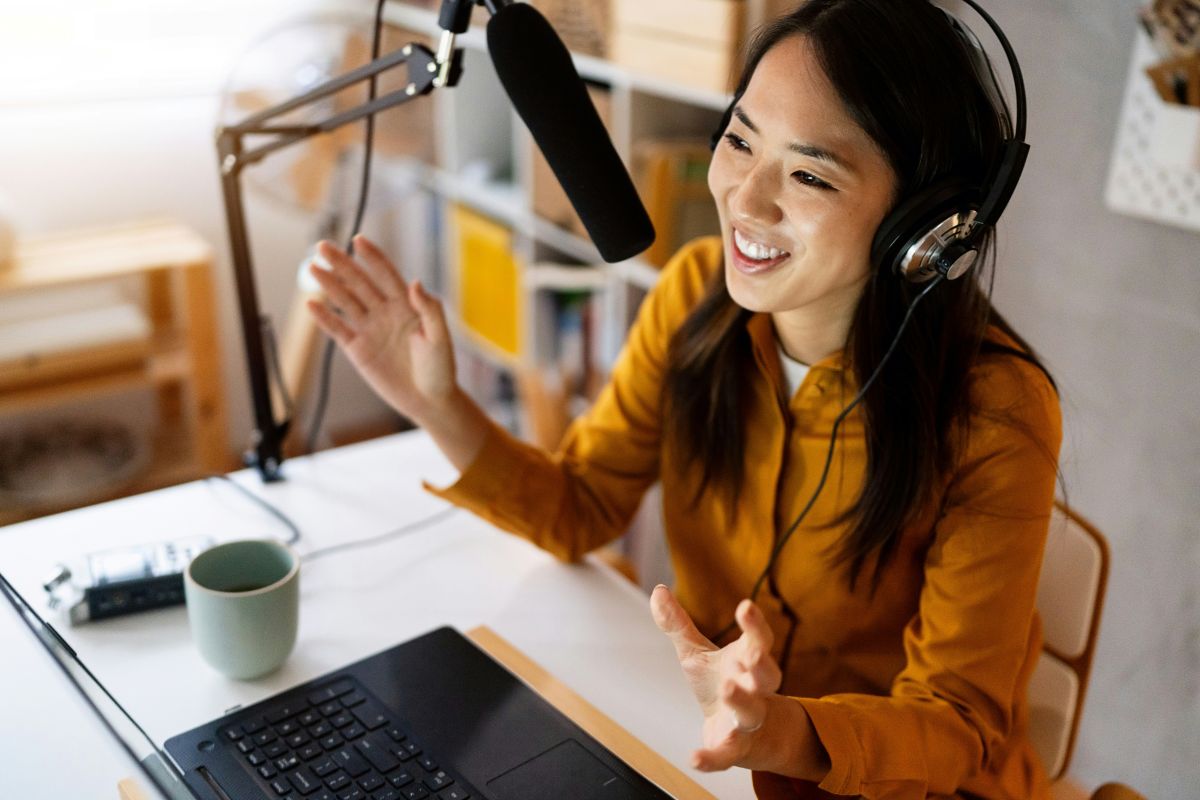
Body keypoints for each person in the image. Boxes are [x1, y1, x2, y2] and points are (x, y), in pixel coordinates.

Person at [305, 0, 1061, 796]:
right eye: (739, 139)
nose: (745, 199)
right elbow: (585, 506)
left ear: (926, 228)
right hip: (703, 754)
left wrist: (784, 733)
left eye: (809, 174)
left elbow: (957, 725)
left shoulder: (998, 413)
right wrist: (438, 404)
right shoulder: (694, 293)